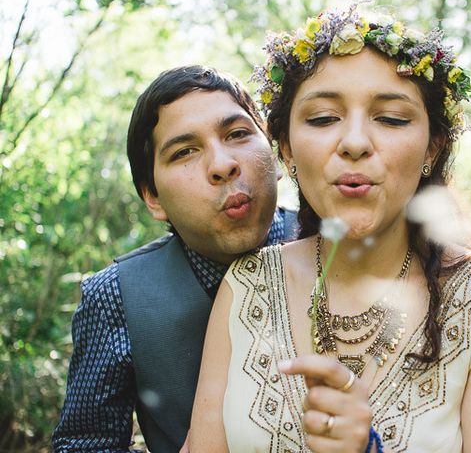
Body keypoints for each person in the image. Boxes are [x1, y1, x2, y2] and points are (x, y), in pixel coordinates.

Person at [190, 5, 471, 452]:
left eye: (391, 118)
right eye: (323, 118)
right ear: (286, 148)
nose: (356, 142)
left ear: (432, 148)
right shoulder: (248, 286)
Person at [52, 65, 298, 452]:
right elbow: (84, 444)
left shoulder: (339, 245)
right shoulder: (116, 297)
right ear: (152, 197)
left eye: (237, 134)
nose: (222, 165)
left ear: (274, 149)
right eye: (185, 151)